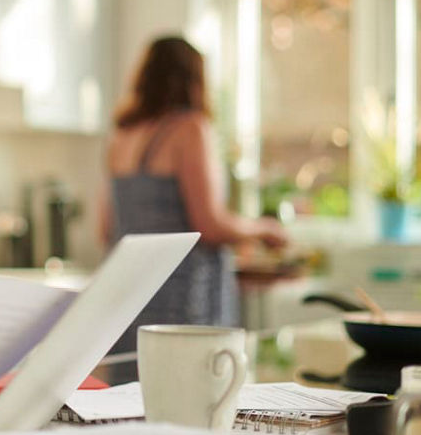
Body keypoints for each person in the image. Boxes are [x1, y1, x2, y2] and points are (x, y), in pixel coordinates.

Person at [97, 36, 288, 353]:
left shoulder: (120, 135)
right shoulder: (190, 129)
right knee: (195, 393)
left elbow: (104, 229)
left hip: (128, 295)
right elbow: (209, 225)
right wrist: (263, 229)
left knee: (130, 396)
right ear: (194, 79)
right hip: (183, 300)